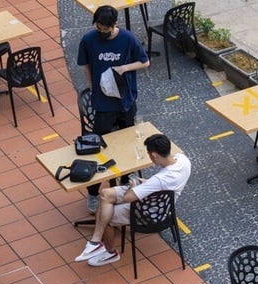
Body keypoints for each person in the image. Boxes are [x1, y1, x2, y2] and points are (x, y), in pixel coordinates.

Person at [74, 133, 191, 266]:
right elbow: (166, 185)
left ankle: (110, 252)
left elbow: (127, 197)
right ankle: (95, 241)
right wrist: (145, 183)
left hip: (148, 211)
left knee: (105, 215)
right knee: (105, 194)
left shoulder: (158, 180)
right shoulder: (183, 160)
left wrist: (134, 186)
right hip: (161, 200)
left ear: (154, 155)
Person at [76, 5, 150, 214]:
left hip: (125, 101)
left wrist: (124, 68)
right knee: (99, 149)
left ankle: (125, 184)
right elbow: (86, 66)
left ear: (114, 25)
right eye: (98, 28)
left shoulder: (128, 39)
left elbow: (145, 62)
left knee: (127, 143)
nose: (101, 33)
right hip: (103, 105)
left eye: (104, 30)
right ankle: (93, 192)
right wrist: (92, 88)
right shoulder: (89, 40)